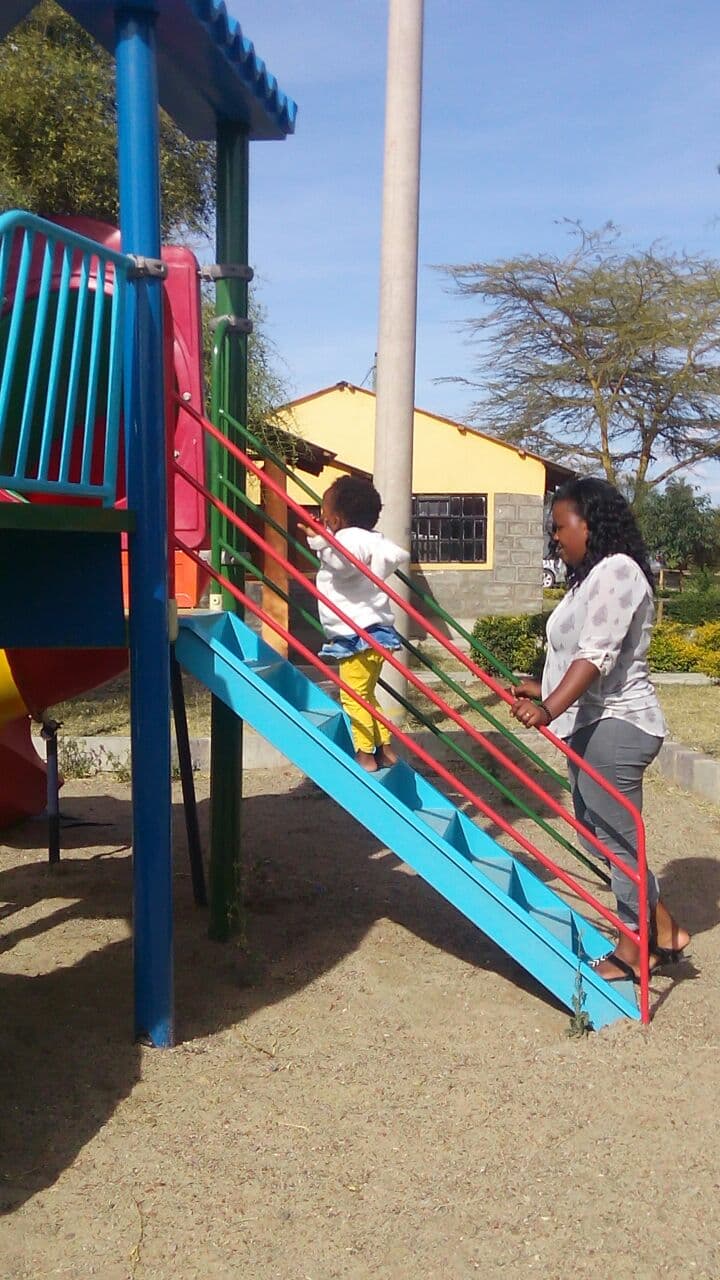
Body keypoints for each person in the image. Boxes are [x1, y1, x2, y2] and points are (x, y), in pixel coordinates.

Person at [509, 477, 689, 983]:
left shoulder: (618, 571)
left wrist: (547, 709)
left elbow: (597, 656)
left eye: (561, 527)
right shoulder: (589, 577)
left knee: (617, 839)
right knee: (597, 834)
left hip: (620, 721)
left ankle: (635, 951)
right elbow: (573, 652)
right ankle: (666, 929)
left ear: (591, 523)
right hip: (590, 720)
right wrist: (537, 686)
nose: (555, 538)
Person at [301, 476, 410, 773]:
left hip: (355, 635)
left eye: (324, 515)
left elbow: (341, 563)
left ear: (335, 519)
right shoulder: (372, 539)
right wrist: (324, 537)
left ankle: (364, 753)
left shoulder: (344, 543)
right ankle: (384, 747)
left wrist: (320, 540)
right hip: (377, 633)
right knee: (366, 694)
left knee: (352, 697)